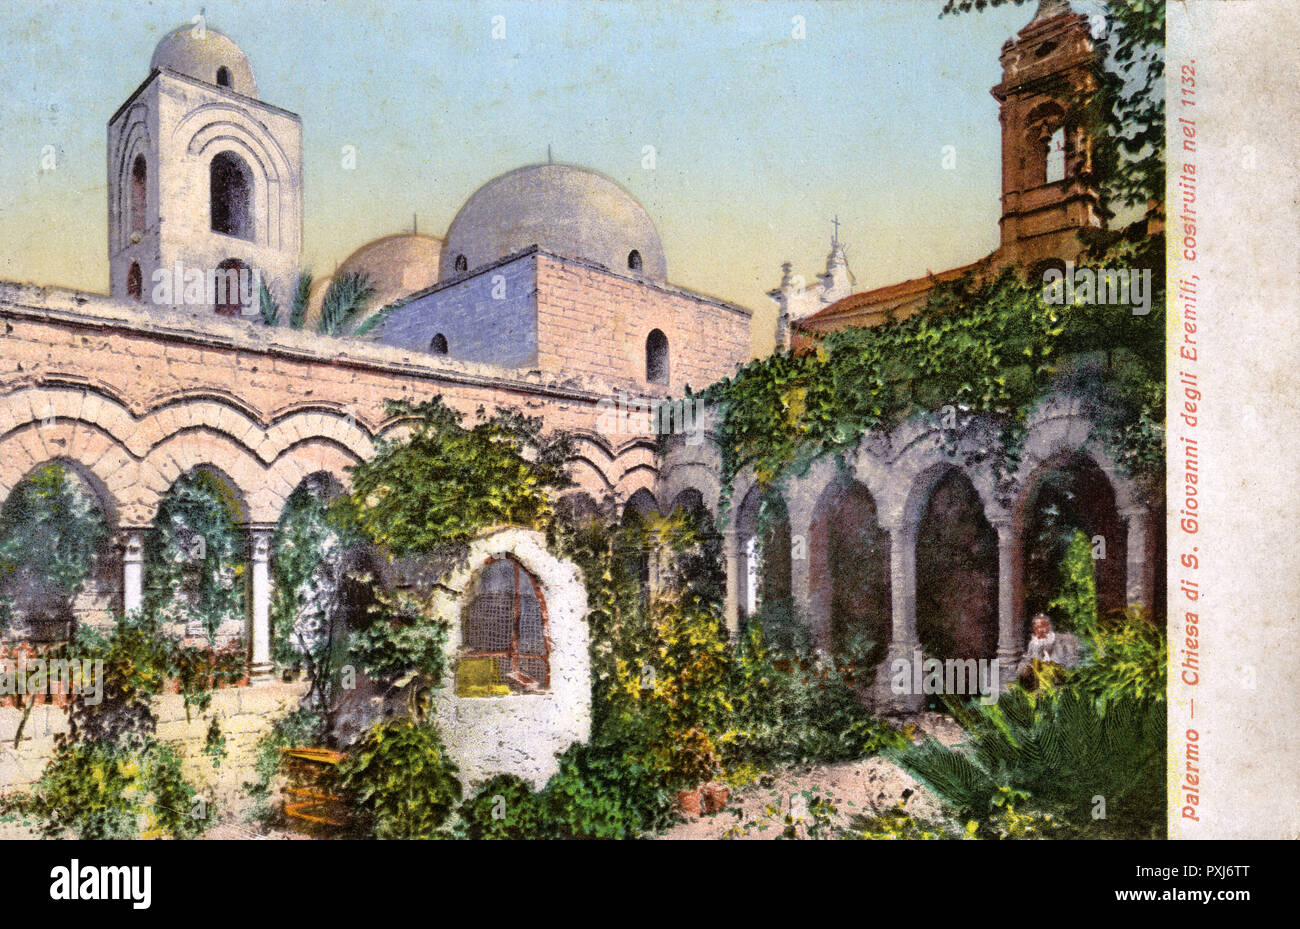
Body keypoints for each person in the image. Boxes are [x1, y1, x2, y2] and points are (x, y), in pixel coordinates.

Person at [1016, 613, 1079, 689]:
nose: (1040, 630)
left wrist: (1059, 669)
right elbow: (1027, 658)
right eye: (1037, 627)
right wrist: (1024, 668)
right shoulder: (1033, 643)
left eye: (1044, 625)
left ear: (1048, 626)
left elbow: (1072, 661)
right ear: (1034, 628)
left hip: (1059, 679)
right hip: (1040, 682)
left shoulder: (1062, 641)